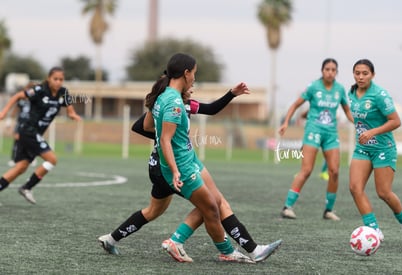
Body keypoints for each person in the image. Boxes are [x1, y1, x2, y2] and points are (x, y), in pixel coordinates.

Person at [98, 84, 281, 263]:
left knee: (153, 211)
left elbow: (210, 109)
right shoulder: (172, 104)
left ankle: (111, 239)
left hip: (158, 168)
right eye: (190, 83)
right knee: (212, 202)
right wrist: (166, 140)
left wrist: (231, 94)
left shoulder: (185, 104)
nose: (192, 88)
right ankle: (183, 242)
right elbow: (140, 126)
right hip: (170, 168)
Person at [348, 59, 402, 245]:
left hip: (383, 149)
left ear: (372, 75)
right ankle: (374, 230)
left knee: (383, 192)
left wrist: (372, 132)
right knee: (354, 187)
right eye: (357, 73)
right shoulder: (351, 93)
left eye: (365, 73)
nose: (360, 77)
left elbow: (396, 121)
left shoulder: (380, 95)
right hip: (363, 149)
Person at [278, 58, 353, 220]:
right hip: (313, 131)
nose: (330, 72)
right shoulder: (313, 87)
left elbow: (348, 111)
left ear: (337, 73)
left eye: (333, 70)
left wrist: (360, 123)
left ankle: (329, 210)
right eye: (327, 69)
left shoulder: (340, 89)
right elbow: (295, 105)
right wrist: (286, 122)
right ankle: (287, 207)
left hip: (331, 134)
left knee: (334, 171)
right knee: (306, 170)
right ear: (322, 71)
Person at [0, 67, 82, 204]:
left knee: (21, 167)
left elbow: (70, 109)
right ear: (49, 78)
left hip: (34, 134)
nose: (58, 82)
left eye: (61, 79)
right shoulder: (40, 90)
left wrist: (73, 115)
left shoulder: (64, 92)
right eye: (55, 79)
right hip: (28, 131)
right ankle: (27, 187)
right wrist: (4, 112)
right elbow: (18, 96)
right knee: (52, 159)